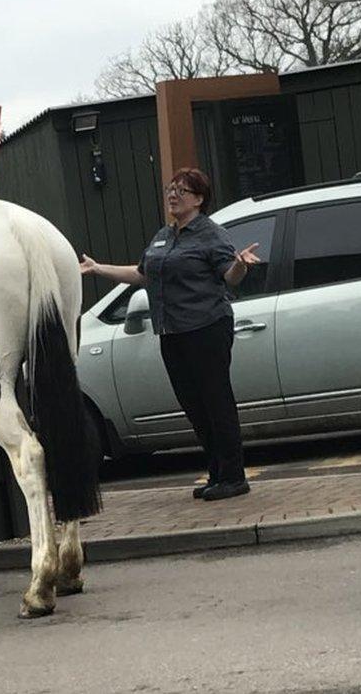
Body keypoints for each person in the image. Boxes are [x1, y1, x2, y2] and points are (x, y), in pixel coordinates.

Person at [80, 168, 259, 501]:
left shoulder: (210, 234)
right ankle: (217, 473)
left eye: (182, 190)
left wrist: (241, 264)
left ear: (199, 199)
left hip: (206, 328)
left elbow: (230, 277)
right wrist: (97, 268)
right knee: (193, 405)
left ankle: (234, 476)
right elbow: (141, 274)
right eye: (170, 189)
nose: (173, 195)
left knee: (216, 402)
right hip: (172, 331)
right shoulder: (164, 235)